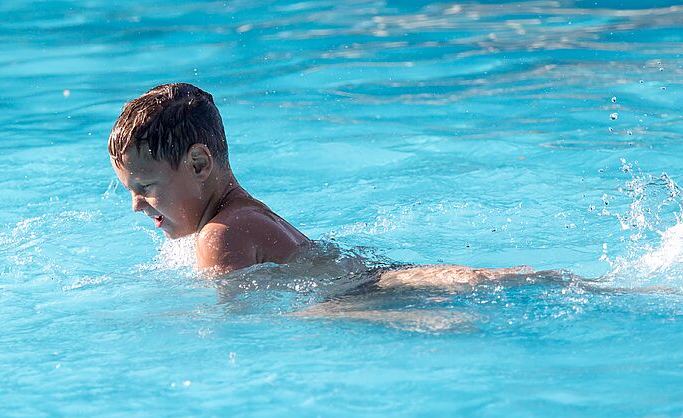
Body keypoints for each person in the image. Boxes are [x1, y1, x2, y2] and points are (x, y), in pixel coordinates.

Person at [108, 83, 532, 292]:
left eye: (145, 187)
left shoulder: (220, 237)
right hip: (374, 283)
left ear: (199, 164)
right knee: (482, 282)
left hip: (363, 300)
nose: (137, 206)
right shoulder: (242, 214)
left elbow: (236, 329)